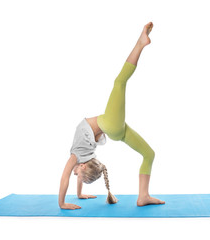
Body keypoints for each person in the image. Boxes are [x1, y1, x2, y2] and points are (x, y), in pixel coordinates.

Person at [59, 22, 165, 210]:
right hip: (110, 125)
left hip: (117, 130)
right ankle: (140, 43)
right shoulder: (77, 156)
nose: (75, 174)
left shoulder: (84, 158)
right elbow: (65, 175)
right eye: (80, 175)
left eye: (78, 177)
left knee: (149, 154)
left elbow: (77, 173)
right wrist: (62, 203)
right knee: (119, 82)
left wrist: (79, 194)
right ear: (83, 166)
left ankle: (143, 196)